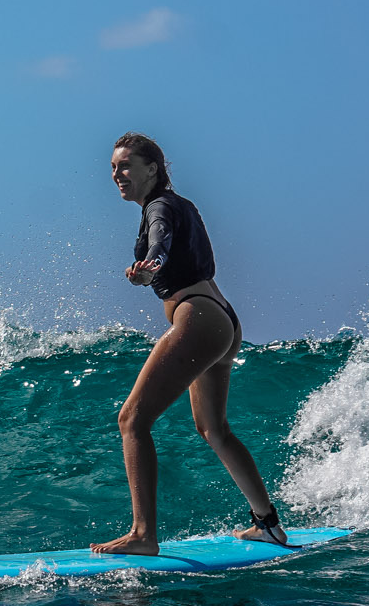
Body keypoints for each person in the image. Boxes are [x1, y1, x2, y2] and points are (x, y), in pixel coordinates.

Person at [91, 132, 288, 554]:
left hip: (198, 318)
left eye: (125, 166)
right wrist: (152, 265)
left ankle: (143, 535)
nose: (117, 174)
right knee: (213, 429)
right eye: (113, 167)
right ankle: (267, 524)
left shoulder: (159, 207)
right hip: (221, 319)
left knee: (132, 420)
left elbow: (160, 241)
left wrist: (150, 266)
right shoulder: (181, 205)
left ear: (152, 169)